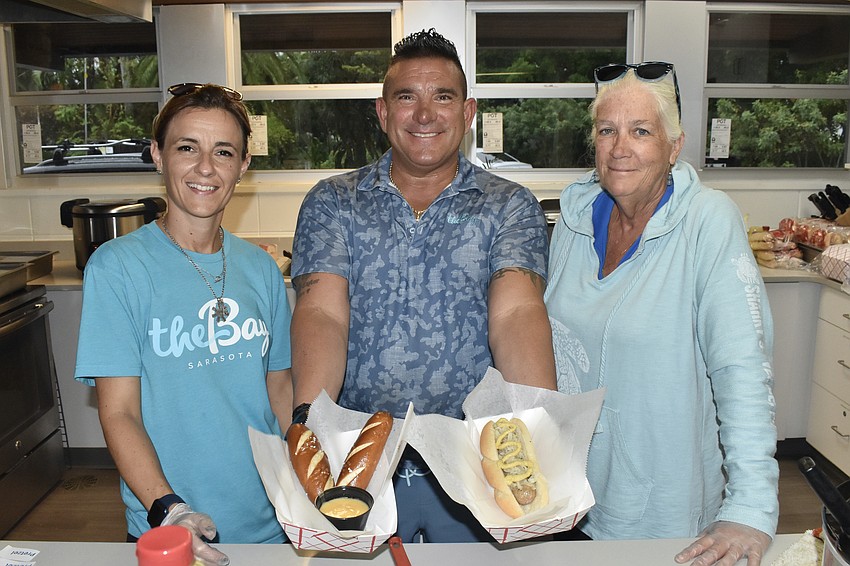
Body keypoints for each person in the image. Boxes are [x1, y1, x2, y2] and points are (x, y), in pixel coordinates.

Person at [289, 28, 557, 543]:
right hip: (358, 452)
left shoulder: (510, 205)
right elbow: (322, 312)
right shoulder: (332, 202)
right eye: (407, 97)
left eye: (443, 97)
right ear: (383, 111)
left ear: (468, 111)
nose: (425, 114)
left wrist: (536, 423)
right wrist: (310, 419)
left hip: (473, 454)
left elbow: (516, 314)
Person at [544, 62, 778, 564]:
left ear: (675, 147)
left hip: (658, 510)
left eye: (641, 131)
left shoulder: (708, 223)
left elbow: (743, 371)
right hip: (568, 493)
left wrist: (752, 507)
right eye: (607, 130)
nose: (620, 147)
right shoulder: (573, 219)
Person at [75, 83, 293, 565]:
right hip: (169, 525)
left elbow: (278, 387)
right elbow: (119, 413)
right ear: (157, 155)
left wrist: (306, 472)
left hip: (271, 520)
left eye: (223, 152)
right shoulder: (117, 269)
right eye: (186, 148)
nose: (205, 168)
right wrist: (167, 508)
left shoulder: (262, 270)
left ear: (243, 165)